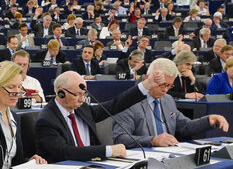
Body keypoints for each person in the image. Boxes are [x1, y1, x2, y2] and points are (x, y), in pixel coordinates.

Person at [35, 69, 166, 163]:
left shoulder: (81, 109)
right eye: (78, 94)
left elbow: (115, 105)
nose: (82, 99)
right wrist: (108, 150)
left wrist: (146, 85)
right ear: (61, 93)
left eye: (83, 94)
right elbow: (66, 152)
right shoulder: (47, 120)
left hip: (92, 168)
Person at [113, 59, 229, 148]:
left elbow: (185, 126)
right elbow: (120, 138)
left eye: (169, 85)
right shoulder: (128, 101)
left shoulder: (167, 100)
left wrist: (209, 120)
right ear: (148, 78)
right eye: (162, 84)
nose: (165, 90)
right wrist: (152, 140)